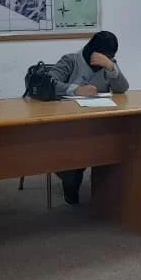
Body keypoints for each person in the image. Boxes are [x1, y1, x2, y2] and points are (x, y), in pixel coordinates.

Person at [48, 31, 130, 205]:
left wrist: (112, 68)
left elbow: (122, 88)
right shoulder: (70, 60)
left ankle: (107, 187)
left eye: (111, 56)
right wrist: (76, 90)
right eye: (105, 55)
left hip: (98, 122)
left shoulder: (108, 64)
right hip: (69, 125)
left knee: (117, 142)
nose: (107, 59)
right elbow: (49, 83)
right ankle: (70, 178)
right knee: (75, 150)